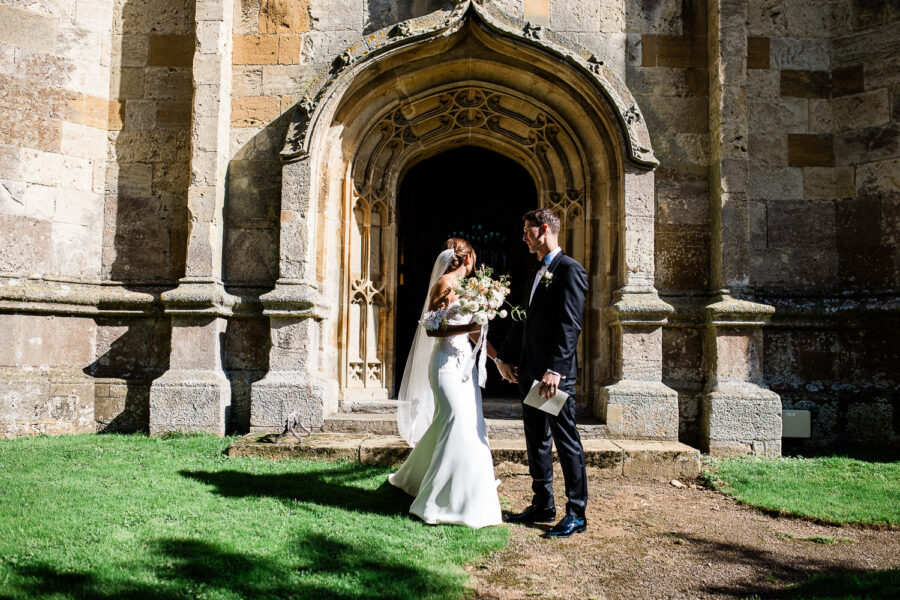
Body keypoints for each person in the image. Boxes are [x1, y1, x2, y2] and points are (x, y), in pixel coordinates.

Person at [388, 238, 503, 528]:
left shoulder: (470, 288)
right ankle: (437, 501)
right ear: (467, 260)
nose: (474, 265)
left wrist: (497, 359)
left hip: (466, 365)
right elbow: (432, 328)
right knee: (455, 422)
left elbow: (475, 334)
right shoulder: (442, 285)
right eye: (473, 260)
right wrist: (470, 325)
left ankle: (417, 478)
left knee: (459, 423)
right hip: (445, 366)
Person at [495, 208, 589, 538]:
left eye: (527, 230)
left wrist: (556, 370)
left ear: (543, 230)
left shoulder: (569, 270)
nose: (523, 236)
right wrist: (503, 359)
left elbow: (570, 325)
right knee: (536, 440)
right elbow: (523, 319)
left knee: (565, 442)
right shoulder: (537, 271)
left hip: (552, 376)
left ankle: (576, 513)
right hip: (529, 372)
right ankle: (543, 503)